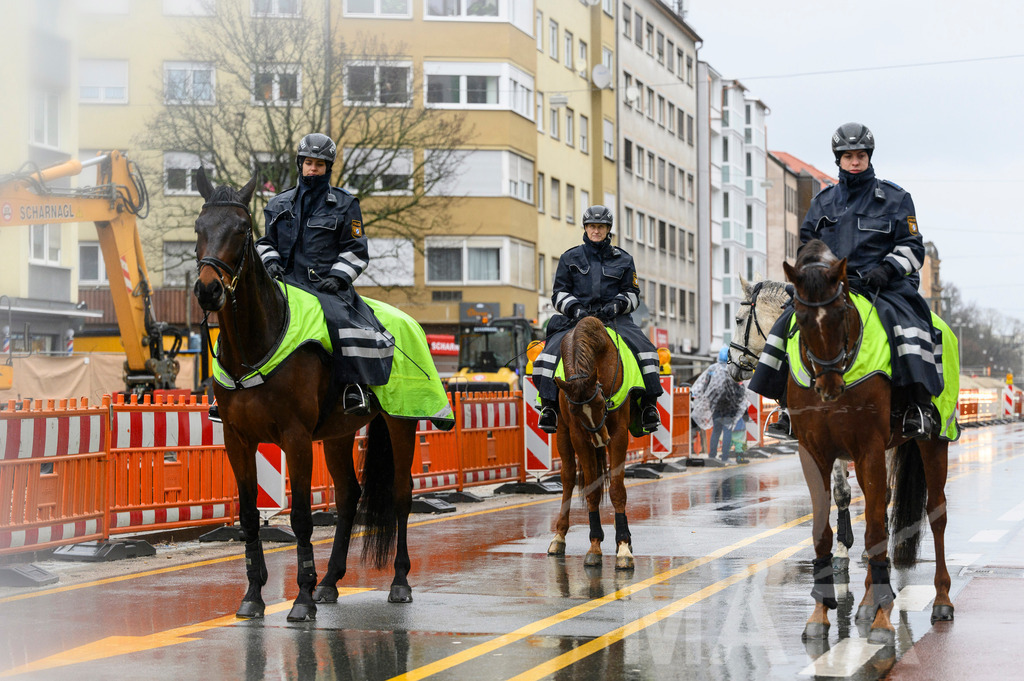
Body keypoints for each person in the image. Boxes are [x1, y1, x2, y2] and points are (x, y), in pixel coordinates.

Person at [751, 122, 941, 439]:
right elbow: (807, 247)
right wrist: (811, 276)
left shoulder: (895, 199)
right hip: (830, 287)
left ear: (869, 157)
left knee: (911, 324)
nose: (855, 161)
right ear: (838, 159)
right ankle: (785, 407)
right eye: (848, 156)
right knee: (786, 324)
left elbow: (912, 247)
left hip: (882, 286)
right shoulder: (823, 203)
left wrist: (888, 269)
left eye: (861, 155)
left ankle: (917, 406)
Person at [254, 132, 393, 415]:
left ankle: (354, 389)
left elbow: (356, 249)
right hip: (283, 285)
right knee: (246, 315)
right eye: (308, 163)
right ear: (300, 164)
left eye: (319, 164)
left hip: (325, 288)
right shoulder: (277, 204)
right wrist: (270, 263)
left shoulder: (345, 204)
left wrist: (338, 278)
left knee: (342, 324)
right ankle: (229, 388)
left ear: (327, 168)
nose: (312, 169)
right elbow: (264, 242)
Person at [532, 205, 662, 434]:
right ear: (585, 228)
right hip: (576, 319)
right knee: (546, 356)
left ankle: (648, 407)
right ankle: (549, 408)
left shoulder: (624, 259)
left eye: (600, 227)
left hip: (615, 320)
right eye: (592, 226)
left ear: (608, 229)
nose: (596, 231)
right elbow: (559, 294)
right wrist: (576, 310)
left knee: (648, 351)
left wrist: (615, 306)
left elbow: (633, 294)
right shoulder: (569, 257)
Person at [691, 347, 747, 462]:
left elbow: (703, 385)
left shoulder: (712, 369)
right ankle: (725, 456)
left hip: (716, 406)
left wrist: (704, 399)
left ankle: (712, 456)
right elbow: (740, 389)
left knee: (716, 430)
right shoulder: (733, 370)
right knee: (727, 431)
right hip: (731, 407)